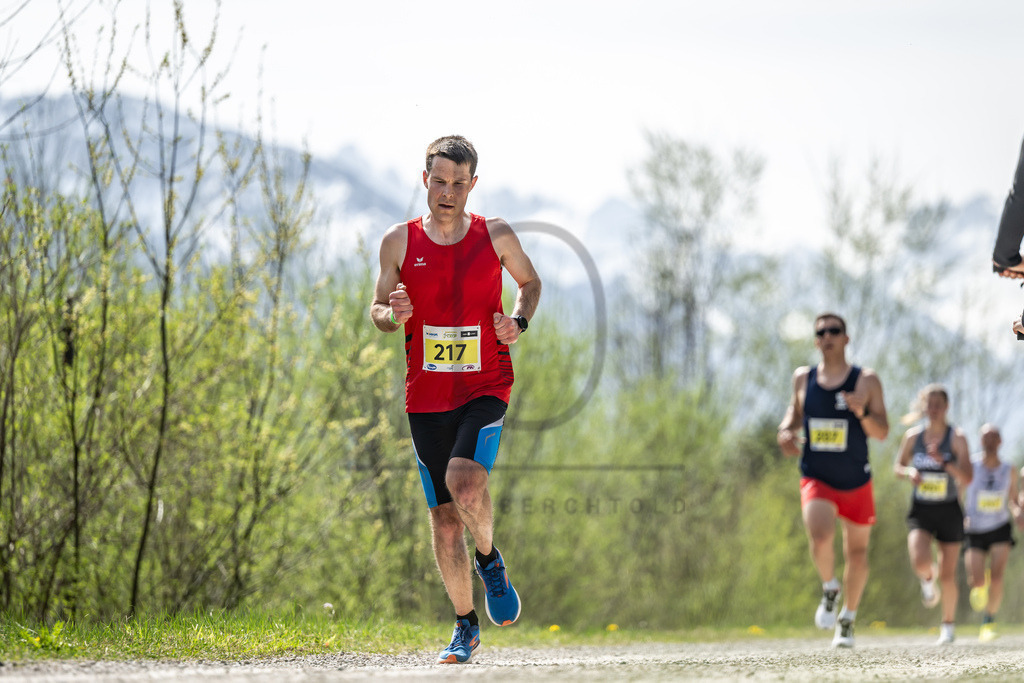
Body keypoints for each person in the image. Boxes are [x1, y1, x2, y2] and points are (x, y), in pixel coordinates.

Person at [370, 135, 541, 664]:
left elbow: (530, 283)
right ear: (425, 180)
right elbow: (377, 309)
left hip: (485, 383)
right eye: (439, 182)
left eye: (458, 184)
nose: (447, 192)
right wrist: (391, 315)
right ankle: (465, 625)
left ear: (472, 185)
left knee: (465, 481)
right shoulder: (398, 242)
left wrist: (518, 321)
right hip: (426, 397)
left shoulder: (495, 234)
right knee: (444, 520)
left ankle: (490, 560)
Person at [777, 313, 889, 649]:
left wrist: (862, 413)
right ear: (816, 341)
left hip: (856, 479)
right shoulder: (803, 378)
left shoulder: (865, 380)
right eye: (821, 332)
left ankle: (848, 619)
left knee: (857, 554)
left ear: (846, 338)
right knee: (820, 534)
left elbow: (882, 432)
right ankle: (830, 587)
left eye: (834, 331)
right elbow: (794, 415)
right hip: (817, 476)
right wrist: (785, 431)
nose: (827, 336)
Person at [893, 384, 973, 645]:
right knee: (919, 560)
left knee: (949, 573)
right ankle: (928, 579)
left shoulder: (957, 438)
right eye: (929, 405)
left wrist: (945, 463)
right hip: (922, 509)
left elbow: (968, 478)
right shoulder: (912, 437)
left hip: (949, 508)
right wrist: (909, 473)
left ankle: (948, 625)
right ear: (923, 408)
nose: (933, 410)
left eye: (938, 405)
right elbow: (898, 466)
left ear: (946, 407)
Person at [962, 424, 1020, 642]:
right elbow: (959, 491)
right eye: (985, 437)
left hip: (999, 527)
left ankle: (988, 622)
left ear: (1000, 442)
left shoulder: (1008, 469)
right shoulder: (971, 466)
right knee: (976, 582)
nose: (989, 441)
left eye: (994, 437)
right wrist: (959, 516)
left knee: (997, 578)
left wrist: (1017, 513)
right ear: (980, 441)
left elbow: (1013, 499)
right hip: (974, 528)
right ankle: (980, 583)